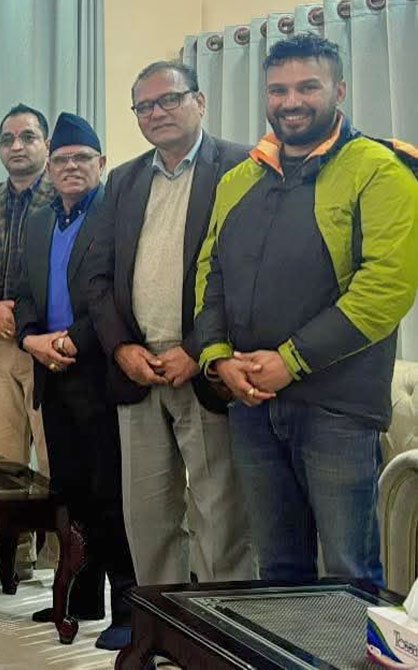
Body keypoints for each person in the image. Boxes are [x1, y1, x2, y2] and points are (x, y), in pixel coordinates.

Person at [194, 33, 418, 586]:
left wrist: (291, 360)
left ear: (339, 90)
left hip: (337, 407)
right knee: (277, 569)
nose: (291, 101)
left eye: (307, 87)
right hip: (251, 402)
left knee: (348, 571)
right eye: (278, 90)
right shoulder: (239, 178)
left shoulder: (380, 168)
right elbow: (209, 272)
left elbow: (386, 287)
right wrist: (217, 357)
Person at [84, 61, 255, 589]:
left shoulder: (240, 166)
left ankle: (221, 628)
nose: (156, 112)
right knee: (148, 519)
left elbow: (247, 275)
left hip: (204, 370)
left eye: (169, 100)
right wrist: (121, 349)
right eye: (144, 106)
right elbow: (97, 276)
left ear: (199, 102)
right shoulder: (124, 180)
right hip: (138, 372)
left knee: (219, 519)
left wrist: (199, 350)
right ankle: (162, 625)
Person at [14, 113, 136, 651]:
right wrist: (30, 339)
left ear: (101, 163)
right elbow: (23, 293)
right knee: (70, 496)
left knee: (111, 497)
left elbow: (118, 294)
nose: (70, 168)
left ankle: (127, 608)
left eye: (81, 159)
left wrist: (73, 341)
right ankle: (80, 598)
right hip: (52, 373)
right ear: (49, 168)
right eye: (61, 160)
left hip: (99, 373)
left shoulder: (116, 214)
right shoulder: (40, 221)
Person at [0, 104, 57, 588]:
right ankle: (11, 558)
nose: (17, 146)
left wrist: (22, 316)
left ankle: (60, 559)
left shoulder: (64, 194)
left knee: (55, 457)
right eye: (8, 139)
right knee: (4, 459)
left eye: (28, 137)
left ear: (46, 144)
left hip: (46, 346)